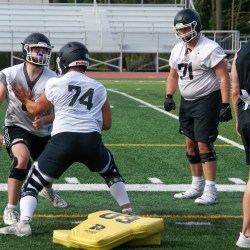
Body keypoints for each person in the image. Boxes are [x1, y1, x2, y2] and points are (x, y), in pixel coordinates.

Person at [0, 41, 134, 236]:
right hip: (91, 141)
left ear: (64, 62)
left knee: (32, 184)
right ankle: (128, 210)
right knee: (111, 173)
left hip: (63, 141)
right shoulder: (98, 87)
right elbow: (106, 124)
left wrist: (24, 99)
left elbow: (36, 109)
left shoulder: (55, 82)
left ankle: (24, 223)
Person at [164, 8, 232, 205]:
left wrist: (225, 104)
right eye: (181, 30)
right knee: (190, 145)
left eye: (186, 29)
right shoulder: (177, 49)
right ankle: (196, 185)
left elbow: (223, 76)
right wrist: (169, 95)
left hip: (207, 100)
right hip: (187, 101)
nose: (183, 33)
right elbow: (173, 75)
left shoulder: (210, 47)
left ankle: (211, 189)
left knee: (204, 144)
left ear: (196, 26)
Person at [0, 32, 68, 226]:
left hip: (42, 131)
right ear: (27, 50)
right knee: (21, 159)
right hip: (16, 125)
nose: (41, 54)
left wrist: (46, 118)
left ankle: (47, 190)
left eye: (44, 51)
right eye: (37, 50)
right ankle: (11, 207)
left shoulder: (54, 78)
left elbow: (62, 111)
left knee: (49, 167)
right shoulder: (9, 74)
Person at [231, 41, 250, 248]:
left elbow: (235, 90)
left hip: (246, 114)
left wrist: (238, 119)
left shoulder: (240, 51)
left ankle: (246, 233)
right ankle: (246, 234)